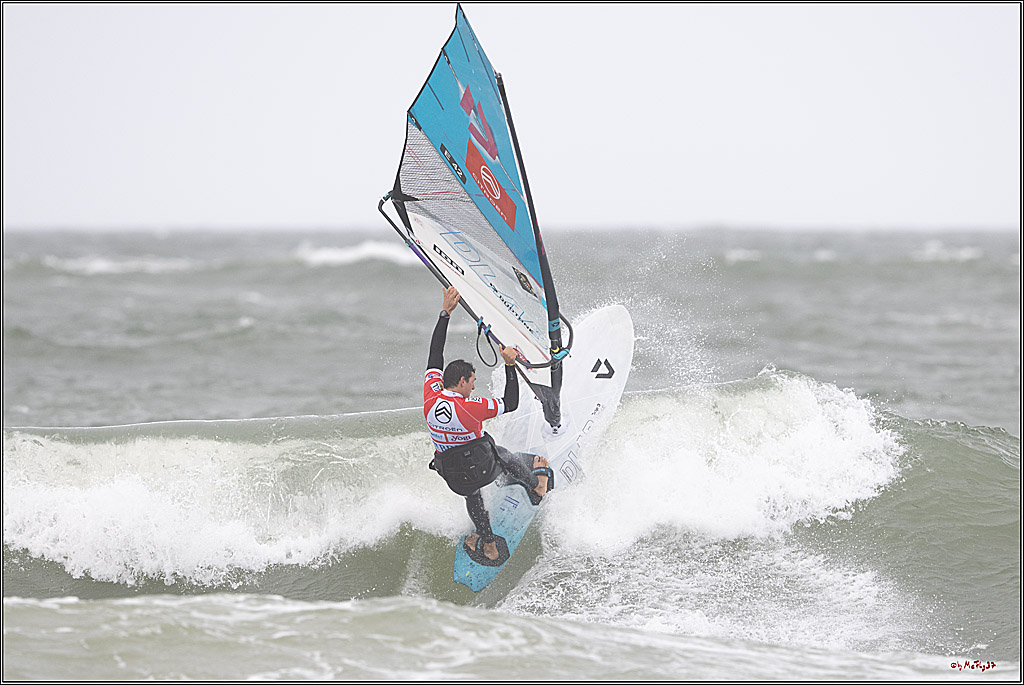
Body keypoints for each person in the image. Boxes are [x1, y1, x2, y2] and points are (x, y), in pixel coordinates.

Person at [424, 285, 552, 565]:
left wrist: (445, 313)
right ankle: (535, 487)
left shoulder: (431, 395)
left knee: (472, 494)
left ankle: (490, 544)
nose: (474, 386)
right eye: (472, 381)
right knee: (499, 451)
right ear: (461, 382)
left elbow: (435, 355)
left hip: (455, 480)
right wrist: (509, 364)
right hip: (483, 469)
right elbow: (511, 402)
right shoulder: (471, 408)